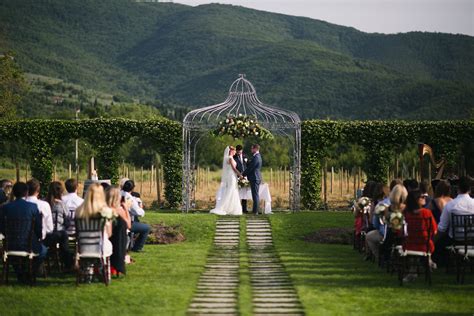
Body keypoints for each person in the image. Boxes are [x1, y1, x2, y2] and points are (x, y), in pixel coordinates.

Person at [0, 182, 46, 282]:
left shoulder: (5, 207)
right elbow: (38, 227)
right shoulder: (33, 207)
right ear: (26, 193)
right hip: (28, 244)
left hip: (10, 244)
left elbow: (2, 227)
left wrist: (8, 236)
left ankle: (20, 273)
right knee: (43, 250)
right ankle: (30, 272)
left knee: (13, 256)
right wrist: (38, 237)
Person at [434, 176, 474, 266]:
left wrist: (432, 240)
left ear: (457, 189)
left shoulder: (450, 205)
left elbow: (442, 228)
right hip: (472, 239)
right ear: (470, 189)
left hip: (455, 239)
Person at [402, 188, 438, 282]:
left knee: (414, 247)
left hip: (409, 245)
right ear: (416, 200)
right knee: (426, 243)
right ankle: (428, 262)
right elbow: (434, 231)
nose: (425, 198)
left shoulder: (406, 214)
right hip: (425, 245)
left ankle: (412, 272)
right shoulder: (427, 213)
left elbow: (402, 231)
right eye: (422, 197)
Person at [76, 183, 113, 257]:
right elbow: (109, 234)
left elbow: (77, 233)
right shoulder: (105, 211)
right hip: (100, 249)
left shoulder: (79, 211)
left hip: (83, 248)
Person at [45, 181, 73, 269]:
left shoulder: (44, 203)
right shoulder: (61, 204)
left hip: (45, 234)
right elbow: (67, 219)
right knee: (64, 237)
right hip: (58, 233)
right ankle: (67, 264)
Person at [106, 186, 131, 276]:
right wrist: (126, 210)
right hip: (118, 241)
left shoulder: (103, 209)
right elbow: (129, 225)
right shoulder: (119, 210)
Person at [210, 146, 243, 216]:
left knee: (233, 190)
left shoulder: (229, 158)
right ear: (231, 151)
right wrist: (240, 175)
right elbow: (234, 168)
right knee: (231, 190)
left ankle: (231, 208)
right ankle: (223, 207)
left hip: (232, 176)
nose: (235, 152)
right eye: (234, 151)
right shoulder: (230, 158)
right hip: (231, 176)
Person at [121, 180, 150, 252]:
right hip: (126, 222)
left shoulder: (118, 193)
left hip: (116, 220)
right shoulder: (129, 198)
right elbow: (138, 212)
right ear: (132, 188)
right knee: (146, 228)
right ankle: (138, 247)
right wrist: (141, 208)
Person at [242, 144, 262, 215]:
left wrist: (242, 174)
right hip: (255, 177)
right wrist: (247, 162)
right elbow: (250, 165)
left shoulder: (256, 157)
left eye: (252, 148)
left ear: (255, 149)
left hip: (255, 178)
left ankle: (255, 211)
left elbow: (251, 168)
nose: (251, 150)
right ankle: (255, 210)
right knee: (255, 195)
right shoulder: (256, 157)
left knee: (255, 195)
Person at [234, 144, 248, 213]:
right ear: (236, 151)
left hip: (245, 176)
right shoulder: (234, 157)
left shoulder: (245, 156)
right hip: (237, 176)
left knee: (244, 193)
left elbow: (247, 165)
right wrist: (239, 175)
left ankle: (244, 209)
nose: (239, 153)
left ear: (242, 151)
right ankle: (238, 208)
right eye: (238, 151)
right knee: (238, 192)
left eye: (240, 151)